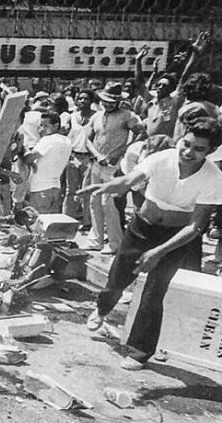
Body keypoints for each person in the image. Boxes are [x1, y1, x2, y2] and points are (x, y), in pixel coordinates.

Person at [78, 117, 222, 370]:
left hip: (176, 238)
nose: (188, 152)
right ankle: (102, 310)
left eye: (198, 149)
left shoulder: (213, 177)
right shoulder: (162, 157)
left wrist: (158, 252)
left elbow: (195, 227)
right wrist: (106, 186)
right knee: (117, 280)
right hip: (141, 228)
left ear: (209, 152)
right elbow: (130, 180)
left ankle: (140, 351)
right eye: (186, 144)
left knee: (154, 293)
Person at [84, 82, 144, 254]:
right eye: (106, 100)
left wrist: (122, 151)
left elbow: (141, 132)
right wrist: (97, 155)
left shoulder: (127, 115)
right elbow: (88, 139)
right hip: (97, 163)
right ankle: (96, 239)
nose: (108, 104)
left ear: (119, 101)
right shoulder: (96, 116)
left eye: (112, 101)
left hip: (113, 165)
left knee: (109, 204)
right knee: (94, 201)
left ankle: (114, 243)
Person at [23, 112, 72, 213]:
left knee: (39, 223)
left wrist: (23, 148)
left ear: (56, 126)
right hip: (55, 187)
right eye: (41, 125)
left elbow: (28, 158)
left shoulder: (48, 140)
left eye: (46, 125)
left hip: (41, 188)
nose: (42, 128)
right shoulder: (67, 141)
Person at [64, 89, 98, 227]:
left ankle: (87, 222)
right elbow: (67, 134)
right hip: (74, 156)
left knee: (87, 192)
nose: (83, 101)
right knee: (70, 191)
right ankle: (66, 220)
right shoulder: (72, 116)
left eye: (86, 99)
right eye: (80, 99)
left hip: (89, 159)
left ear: (91, 101)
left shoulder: (97, 116)